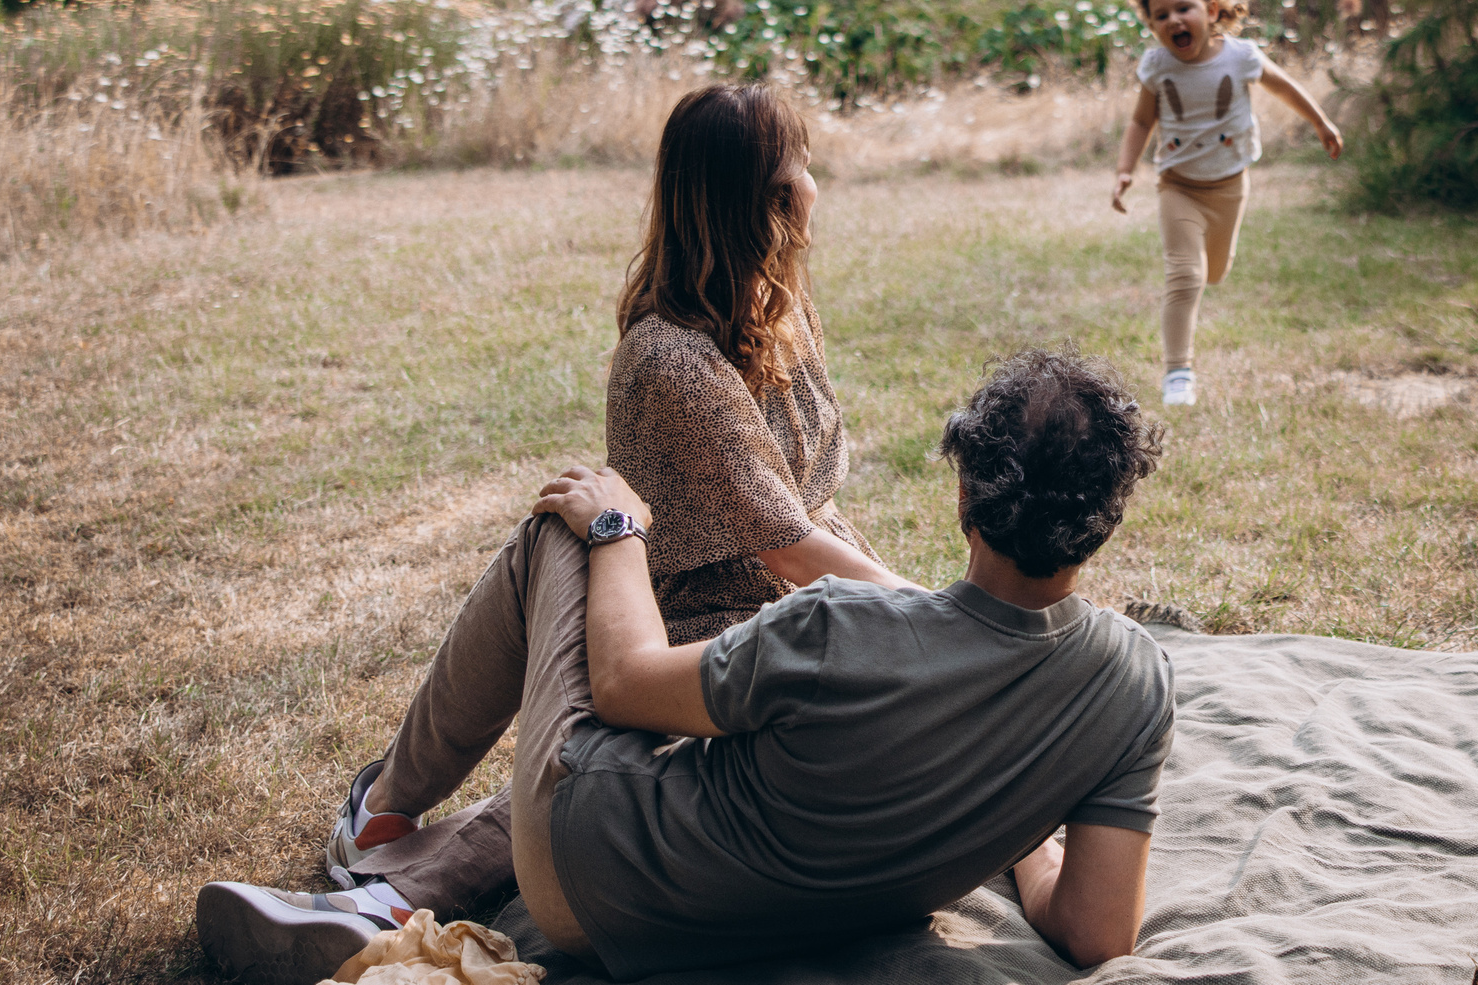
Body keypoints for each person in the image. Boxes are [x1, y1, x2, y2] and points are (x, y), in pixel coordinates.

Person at [197, 348, 1173, 985]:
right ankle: (398, 871)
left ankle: (383, 817)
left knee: (560, 531)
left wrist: (620, 526)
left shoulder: (840, 625)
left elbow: (625, 683)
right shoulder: (1133, 685)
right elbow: (1097, 934)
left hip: (589, 876)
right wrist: (1028, 834)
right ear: (1108, 513)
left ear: (964, 491)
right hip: (761, 920)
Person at [324, 82, 913, 913]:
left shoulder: (780, 306)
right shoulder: (672, 360)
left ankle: (385, 834)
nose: (815, 185)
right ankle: (387, 847)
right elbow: (787, 545)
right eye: (801, 167)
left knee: (628, 757)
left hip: (802, 595)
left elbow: (804, 526)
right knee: (597, 713)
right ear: (761, 199)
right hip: (701, 617)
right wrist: (934, 614)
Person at [1109, 0, 1342, 407]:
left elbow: (1285, 87)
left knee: (1215, 272)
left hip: (1230, 186)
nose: (1174, 20)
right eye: (1161, 16)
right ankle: (1178, 373)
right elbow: (1141, 121)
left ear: (1211, 10)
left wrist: (1320, 122)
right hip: (1178, 187)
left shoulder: (1241, 56)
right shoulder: (1158, 67)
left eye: (1184, 8)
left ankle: (1205, 284)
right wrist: (1125, 169)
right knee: (1186, 275)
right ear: (1152, 26)